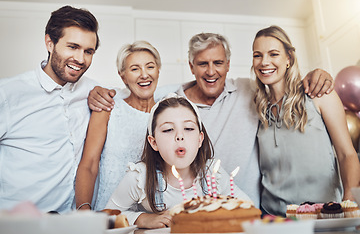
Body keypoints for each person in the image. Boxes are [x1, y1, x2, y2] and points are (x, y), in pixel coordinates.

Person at [88, 33, 334, 208]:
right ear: (191, 66)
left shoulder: (249, 90)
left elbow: (279, 81)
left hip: (248, 209)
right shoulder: (172, 99)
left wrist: (315, 73)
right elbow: (139, 90)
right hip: (189, 206)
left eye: (218, 63)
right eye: (202, 64)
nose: (210, 71)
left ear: (228, 65)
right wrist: (102, 91)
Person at [0, 5, 101, 213]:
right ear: (50, 42)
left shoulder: (92, 91)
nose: (81, 59)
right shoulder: (8, 94)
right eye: (72, 47)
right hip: (18, 224)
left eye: (88, 51)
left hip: (71, 223)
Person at [252, 25, 360, 216]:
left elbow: (347, 154)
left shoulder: (319, 94)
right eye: (257, 55)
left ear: (289, 59)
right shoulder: (257, 107)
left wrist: (349, 199)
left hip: (324, 215)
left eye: (273, 54)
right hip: (273, 218)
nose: (264, 62)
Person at [105, 95, 251, 228]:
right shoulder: (140, 177)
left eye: (188, 128)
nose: (179, 136)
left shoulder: (213, 174)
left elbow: (249, 209)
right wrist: (142, 219)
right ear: (153, 142)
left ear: (200, 139)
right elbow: (107, 217)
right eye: (168, 130)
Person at [75, 41, 161, 211]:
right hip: (109, 213)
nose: (144, 75)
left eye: (150, 67)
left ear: (158, 70)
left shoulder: (167, 113)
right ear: (123, 76)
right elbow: (89, 164)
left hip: (153, 216)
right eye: (135, 69)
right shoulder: (108, 108)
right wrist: (84, 213)